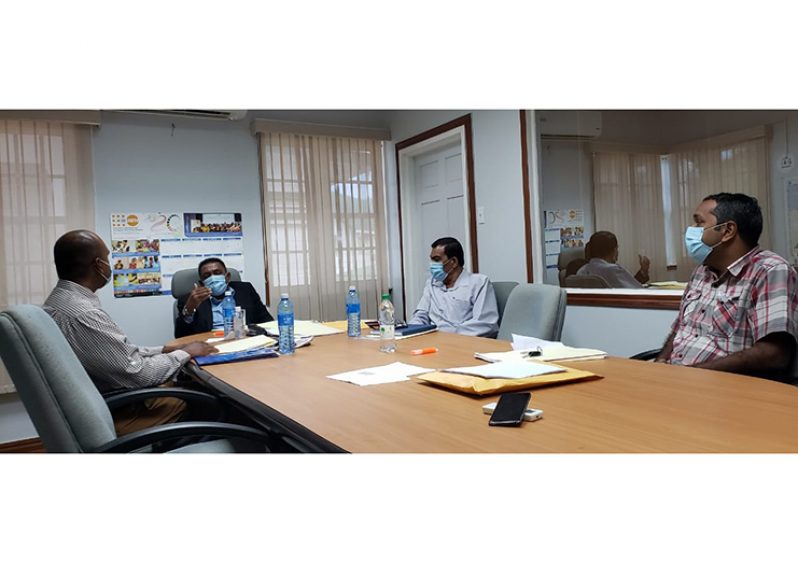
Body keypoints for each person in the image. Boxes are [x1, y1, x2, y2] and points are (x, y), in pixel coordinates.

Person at [43, 230, 217, 435]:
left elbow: (118, 353)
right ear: (99, 265)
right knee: (209, 401)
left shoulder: (60, 301)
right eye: (107, 258)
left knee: (189, 386)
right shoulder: (83, 314)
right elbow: (139, 374)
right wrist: (186, 352)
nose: (110, 264)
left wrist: (164, 349)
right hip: (118, 410)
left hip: (100, 400)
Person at [655, 193, 798, 380]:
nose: (691, 231)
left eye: (699, 223)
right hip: (678, 380)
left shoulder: (770, 271)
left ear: (728, 230)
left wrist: (694, 374)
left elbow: (774, 354)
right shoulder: (701, 271)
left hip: (725, 389)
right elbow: (680, 330)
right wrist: (660, 364)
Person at [408, 237, 499, 338]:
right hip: (433, 341)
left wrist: (448, 335)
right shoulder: (432, 283)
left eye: (437, 260)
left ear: (454, 262)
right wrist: (411, 331)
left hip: (464, 341)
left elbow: (485, 323)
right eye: (431, 260)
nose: (432, 265)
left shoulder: (478, 283)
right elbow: (421, 315)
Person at [174, 257, 273, 338]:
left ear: (227, 277)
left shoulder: (245, 290)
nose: (213, 278)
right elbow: (181, 336)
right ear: (201, 283)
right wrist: (189, 309)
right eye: (207, 276)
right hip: (210, 345)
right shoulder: (189, 300)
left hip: (244, 339)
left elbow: (266, 321)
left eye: (217, 273)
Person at [576, 231, 650, 288]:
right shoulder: (613, 270)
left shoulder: (581, 271)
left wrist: (643, 271)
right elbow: (637, 291)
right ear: (613, 251)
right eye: (617, 248)